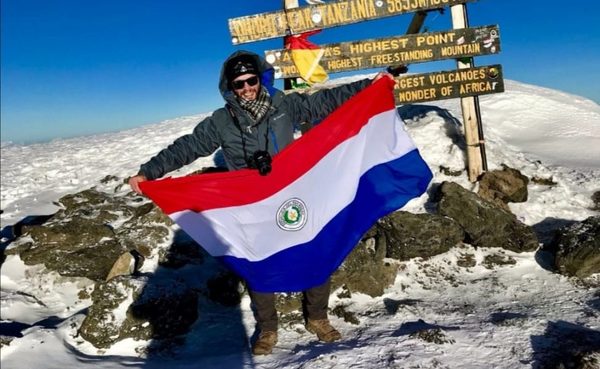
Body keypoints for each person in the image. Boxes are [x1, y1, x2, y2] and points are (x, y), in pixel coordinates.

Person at [129, 50, 393, 355]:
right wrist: (149, 172)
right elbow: (187, 147)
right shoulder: (221, 121)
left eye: (251, 80)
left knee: (315, 250)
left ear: (260, 78)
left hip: (294, 193)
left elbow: (324, 102)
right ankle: (268, 328)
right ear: (229, 87)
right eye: (238, 84)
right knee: (258, 261)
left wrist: (368, 86)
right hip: (251, 205)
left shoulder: (284, 104)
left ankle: (318, 317)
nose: (246, 88)